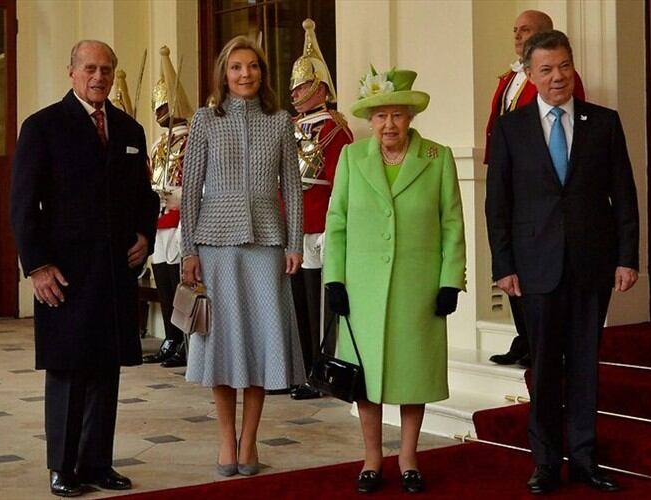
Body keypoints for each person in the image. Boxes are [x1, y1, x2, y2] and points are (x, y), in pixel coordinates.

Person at [485, 30, 639, 495]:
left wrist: (626, 259)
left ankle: (586, 458)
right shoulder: (512, 129)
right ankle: (547, 462)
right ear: (530, 75)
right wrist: (504, 264)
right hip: (535, 268)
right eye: (546, 70)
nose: (558, 78)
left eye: (564, 67)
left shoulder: (604, 123)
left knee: (586, 366)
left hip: (593, 266)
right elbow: (499, 205)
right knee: (546, 367)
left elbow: (625, 198)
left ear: (574, 68)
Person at [10, 40, 159, 497]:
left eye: (107, 70)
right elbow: (22, 205)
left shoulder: (131, 130)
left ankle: (97, 464)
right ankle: (63, 467)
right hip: (64, 273)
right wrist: (37, 266)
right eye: (90, 68)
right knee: (69, 369)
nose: (99, 77)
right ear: (71, 71)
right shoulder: (42, 127)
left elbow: (145, 197)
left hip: (114, 270)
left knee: (106, 368)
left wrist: (145, 236)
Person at [324, 67, 467, 494]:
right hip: (362, 289)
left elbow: (452, 224)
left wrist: (449, 281)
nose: (389, 125)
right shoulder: (353, 157)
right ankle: (372, 458)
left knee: (412, 374)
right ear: (371, 120)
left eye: (398, 116)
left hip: (417, 287)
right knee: (366, 380)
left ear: (410, 118)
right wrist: (334, 279)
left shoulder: (436, 158)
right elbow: (337, 222)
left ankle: (408, 457)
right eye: (381, 116)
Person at [179, 35, 305, 478]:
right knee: (221, 346)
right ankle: (224, 441)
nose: (245, 74)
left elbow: (291, 186)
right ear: (223, 74)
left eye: (252, 66)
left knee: (261, 343)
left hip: (267, 245)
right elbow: (190, 190)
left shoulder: (279, 121)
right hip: (215, 246)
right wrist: (188, 250)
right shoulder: (204, 121)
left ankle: (249, 440)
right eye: (236, 67)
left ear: (262, 73)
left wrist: (295, 244)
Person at [485, 9, 586, 369]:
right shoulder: (511, 77)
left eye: (525, 30)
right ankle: (524, 336)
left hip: (545, 194)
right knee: (513, 265)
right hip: (511, 182)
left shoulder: (560, 81)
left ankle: (534, 339)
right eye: (515, 30)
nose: (517, 36)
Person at [288, 19, 354, 401]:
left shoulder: (335, 129)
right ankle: (307, 364)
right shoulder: (292, 126)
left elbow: (337, 183)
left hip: (324, 222)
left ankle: (324, 366)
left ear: (320, 87)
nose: (295, 92)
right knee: (301, 299)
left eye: (301, 85)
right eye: (295, 86)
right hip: (297, 224)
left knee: (324, 303)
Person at [141, 46, 194, 368]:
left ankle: (186, 338)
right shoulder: (160, 142)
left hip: (180, 216)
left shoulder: (191, 137)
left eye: (165, 105)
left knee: (178, 281)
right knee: (162, 277)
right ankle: (172, 337)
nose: (162, 112)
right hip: (160, 216)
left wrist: (177, 195)